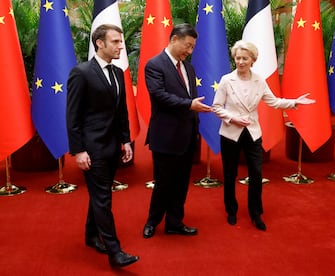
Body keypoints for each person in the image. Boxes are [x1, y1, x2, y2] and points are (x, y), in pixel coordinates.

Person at [212, 40, 315, 231]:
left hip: (252, 133)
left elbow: (273, 102)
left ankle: (256, 213)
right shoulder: (227, 80)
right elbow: (216, 107)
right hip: (230, 133)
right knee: (230, 174)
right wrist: (233, 118)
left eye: (245, 58)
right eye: (237, 58)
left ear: (253, 59)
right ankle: (231, 211)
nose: (241, 61)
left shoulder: (259, 80)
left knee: (256, 174)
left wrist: (294, 102)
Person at [66, 24, 139, 267]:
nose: (121, 46)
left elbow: (121, 112)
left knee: (101, 195)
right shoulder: (81, 72)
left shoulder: (118, 73)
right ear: (100, 43)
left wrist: (125, 140)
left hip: (111, 146)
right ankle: (115, 251)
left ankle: (90, 234)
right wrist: (78, 150)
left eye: (121, 42)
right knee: (103, 199)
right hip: (92, 148)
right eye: (116, 42)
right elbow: (72, 116)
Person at [142, 23, 211, 239]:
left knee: (181, 184)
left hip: (188, 135)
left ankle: (175, 222)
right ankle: (152, 222)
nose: (189, 52)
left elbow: (192, 97)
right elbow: (159, 96)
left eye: (192, 48)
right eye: (187, 46)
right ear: (173, 39)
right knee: (163, 183)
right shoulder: (154, 65)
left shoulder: (188, 67)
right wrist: (190, 105)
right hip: (165, 136)